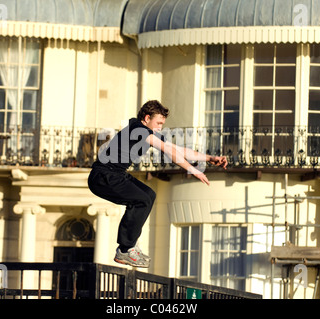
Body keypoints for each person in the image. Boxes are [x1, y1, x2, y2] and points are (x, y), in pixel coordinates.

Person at [87, 100, 227, 267]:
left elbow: (178, 150)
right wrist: (193, 170)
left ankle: (129, 246)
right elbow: (169, 152)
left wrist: (210, 158)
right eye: (159, 123)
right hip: (103, 176)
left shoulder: (146, 132)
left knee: (149, 195)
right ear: (147, 118)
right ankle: (125, 249)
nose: (160, 127)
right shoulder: (138, 129)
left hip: (115, 175)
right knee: (142, 200)